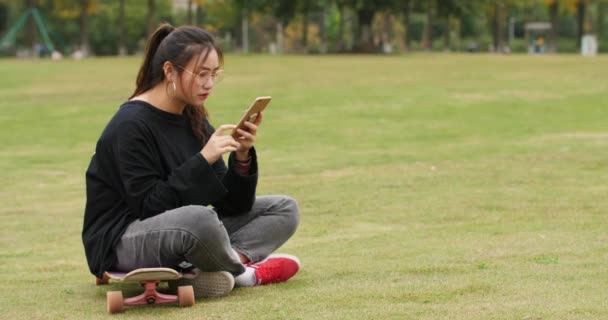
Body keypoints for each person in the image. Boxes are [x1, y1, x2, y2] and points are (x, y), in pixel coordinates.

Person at [82, 23, 301, 298]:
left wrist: (242, 157)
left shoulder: (193, 117)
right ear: (169, 71)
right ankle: (246, 274)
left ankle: (211, 266)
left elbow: (233, 205)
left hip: (178, 233)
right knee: (200, 219)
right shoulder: (130, 125)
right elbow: (148, 207)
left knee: (284, 208)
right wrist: (202, 160)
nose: (209, 83)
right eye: (200, 74)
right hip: (123, 239)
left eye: (214, 74)